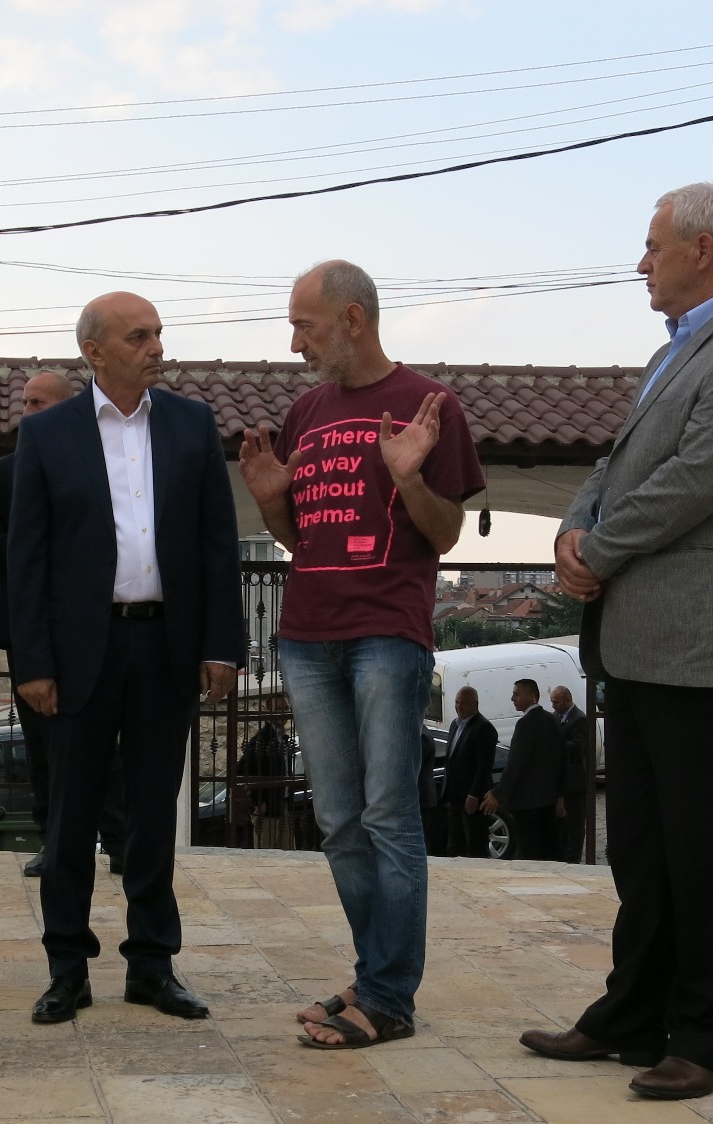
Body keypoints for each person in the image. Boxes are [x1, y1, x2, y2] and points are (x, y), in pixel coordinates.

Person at [528, 183, 713, 1100]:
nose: (641, 263)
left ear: (701, 248)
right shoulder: (674, 351)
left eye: (653, 246)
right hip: (643, 641)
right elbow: (616, 467)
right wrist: (574, 531)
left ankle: (711, 1036)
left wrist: (599, 550)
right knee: (644, 850)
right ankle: (634, 1014)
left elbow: (700, 477)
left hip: (708, 646)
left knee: (708, 850)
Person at [238, 259, 483, 1050]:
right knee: (339, 819)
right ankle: (377, 975)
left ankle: (386, 997)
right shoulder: (306, 411)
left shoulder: (428, 404)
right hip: (307, 637)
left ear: (352, 318)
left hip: (386, 634)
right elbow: (299, 538)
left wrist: (409, 477)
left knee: (388, 814)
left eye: (305, 326)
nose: (295, 343)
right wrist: (271, 500)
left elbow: (444, 533)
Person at [8, 291, 247, 1025]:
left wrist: (220, 644)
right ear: (95, 351)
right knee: (70, 818)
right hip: (80, 650)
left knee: (151, 813)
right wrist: (33, 662)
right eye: (139, 337)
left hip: (165, 645)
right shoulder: (47, 435)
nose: (156, 348)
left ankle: (152, 964)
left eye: (157, 334)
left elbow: (218, 542)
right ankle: (67, 969)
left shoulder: (190, 424)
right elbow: (27, 557)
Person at [0, 370, 124, 879]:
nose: (27, 412)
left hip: (92, 623)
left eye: (38, 403)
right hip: (29, 624)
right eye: (25, 402)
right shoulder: (7, 471)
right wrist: (34, 545)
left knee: (101, 740)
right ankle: (53, 843)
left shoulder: (101, 464)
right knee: (40, 743)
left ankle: (120, 842)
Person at [481, 680, 562, 861]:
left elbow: (516, 764)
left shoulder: (526, 724)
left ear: (532, 696)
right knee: (548, 851)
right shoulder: (552, 720)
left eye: (516, 694)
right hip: (548, 799)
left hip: (527, 803)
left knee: (529, 853)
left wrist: (498, 793)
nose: (512, 698)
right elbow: (561, 759)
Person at [438, 686, 497, 859]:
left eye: (463, 703)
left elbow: (484, 766)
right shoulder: (455, 725)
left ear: (475, 704)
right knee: (455, 846)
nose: (458, 707)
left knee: (474, 846)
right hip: (454, 798)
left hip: (472, 800)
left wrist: (474, 794)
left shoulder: (484, 728)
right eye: (456, 702)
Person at [548, 685, 593, 862]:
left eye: (556, 702)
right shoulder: (555, 717)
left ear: (568, 700)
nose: (553, 706)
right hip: (560, 779)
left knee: (574, 823)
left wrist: (555, 745)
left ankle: (574, 858)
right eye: (552, 702)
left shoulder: (579, 719)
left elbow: (578, 746)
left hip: (574, 782)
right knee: (560, 825)